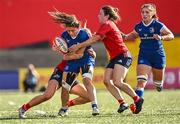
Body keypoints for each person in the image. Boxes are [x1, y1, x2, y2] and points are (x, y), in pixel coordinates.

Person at [69, 5, 144, 114]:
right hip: (115, 57)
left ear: (107, 16)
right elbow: (96, 37)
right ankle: (122, 103)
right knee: (106, 81)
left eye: (100, 14)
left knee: (118, 82)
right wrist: (86, 33)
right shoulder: (106, 25)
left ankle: (137, 99)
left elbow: (95, 38)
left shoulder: (107, 24)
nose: (98, 15)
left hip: (123, 55)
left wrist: (78, 45)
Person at [18, 35, 95, 118]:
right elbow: (61, 51)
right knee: (47, 95)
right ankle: (23, 108)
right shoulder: (74, 44)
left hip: (71, 76)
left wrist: (92, 56)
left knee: (89, 97)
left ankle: (66, 105)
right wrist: (57, 48)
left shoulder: (89, 51)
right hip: (61, 71)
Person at [48, 10, 99, 116]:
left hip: (85, 59)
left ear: (78, 27)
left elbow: (81, 53)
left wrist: (74, 51)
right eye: (68, 31)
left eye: (72, 30)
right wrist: (56, 48)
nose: (70, 33)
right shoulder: (64, 35)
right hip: (72, 62)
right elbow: (63, 53)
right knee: (65, 86)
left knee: (87, 80)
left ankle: (95, 106)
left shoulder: (84, 33)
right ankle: (64, 108)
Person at [123, 3, 174, 98]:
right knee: (141, 82)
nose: (144, 14)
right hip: (144, 55)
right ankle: (138, 103)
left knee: (158, 83)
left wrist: (161, 37)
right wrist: (124, 36)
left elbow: (171, 35)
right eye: (142, 12)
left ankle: (159, 85)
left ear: (153, 13)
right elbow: (134, 34)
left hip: (158, 56)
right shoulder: (138, 26)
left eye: (147, 12)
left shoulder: (158, 25)